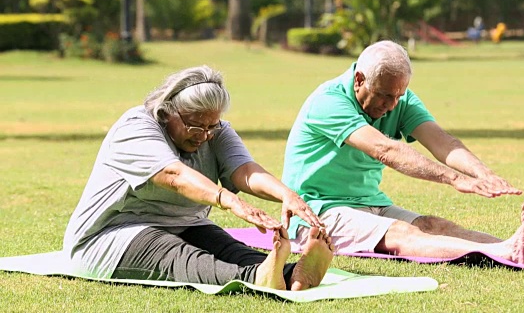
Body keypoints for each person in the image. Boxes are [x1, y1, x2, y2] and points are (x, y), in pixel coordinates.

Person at [282, 40, 524, 265]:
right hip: (316, 212)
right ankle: (505, 254)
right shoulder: (328, 102)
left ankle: (521, 248)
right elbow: (385, 149)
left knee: (432, 224)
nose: (392, 105)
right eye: (384, 96)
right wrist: (453, 179)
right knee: (402, 234)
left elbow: (441, 141)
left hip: (370, 202)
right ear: (359, 79)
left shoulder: (398, 97)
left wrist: (483, 174)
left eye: (398, 96)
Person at [63, 65, 334, 290]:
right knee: (183, 257)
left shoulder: (215, 131)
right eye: (194, 125)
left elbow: (245, 170)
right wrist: (228, 200)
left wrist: (286, 195)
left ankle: (290, 274)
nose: (203, 135)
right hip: (112, 235)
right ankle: (255, 279)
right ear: (169, 110)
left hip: (185, 224)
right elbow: (174, 175)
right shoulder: (136, 127)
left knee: (231, 249)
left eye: (210, 126)